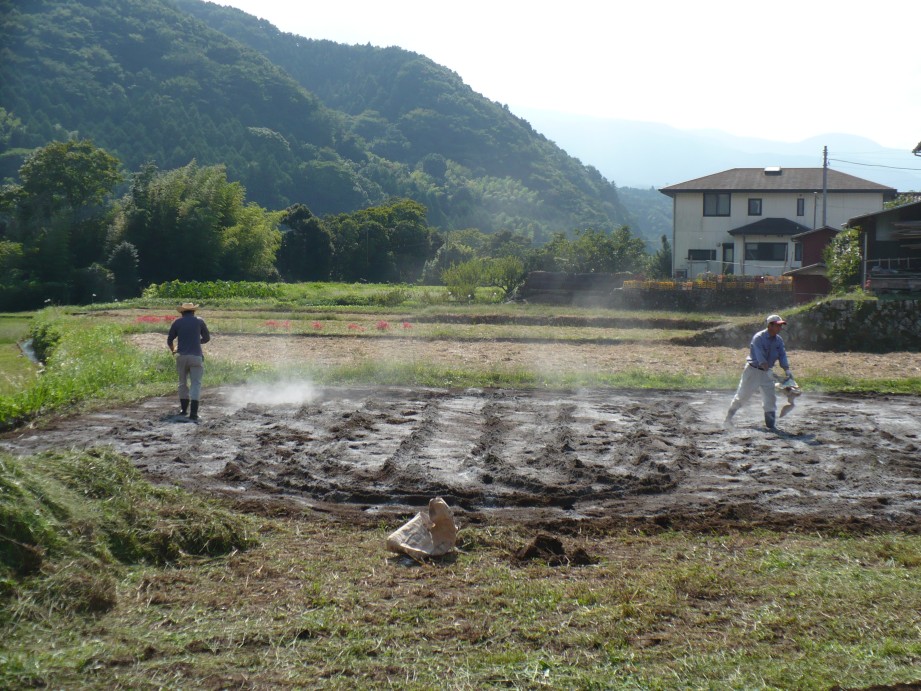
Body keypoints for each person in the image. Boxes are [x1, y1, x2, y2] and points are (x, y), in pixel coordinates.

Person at [724, 314, 794, 430]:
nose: (780, 328)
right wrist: (767, 371)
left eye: (781, 325)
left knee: (770, 398)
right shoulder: (759, 338)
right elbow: (760, 357)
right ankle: (728, 419)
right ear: (770, 325)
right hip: (753, 371)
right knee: (742, 396)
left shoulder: (778, 340)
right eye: (778, 325)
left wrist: (787, 369)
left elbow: (782, 355)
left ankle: (771, 425)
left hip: (767, 372)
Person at [167, 302, 211, 420]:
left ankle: (183, 410)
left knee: (182, 383)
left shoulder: (177, 322)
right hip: (196, 356)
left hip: (181, 356)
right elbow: (207, 338)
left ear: (182, 312)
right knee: (196, 383)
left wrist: (173, 350)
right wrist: (197, 342)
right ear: (193, 311)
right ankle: (193, 413)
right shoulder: (199, 321)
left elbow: (169, 340)